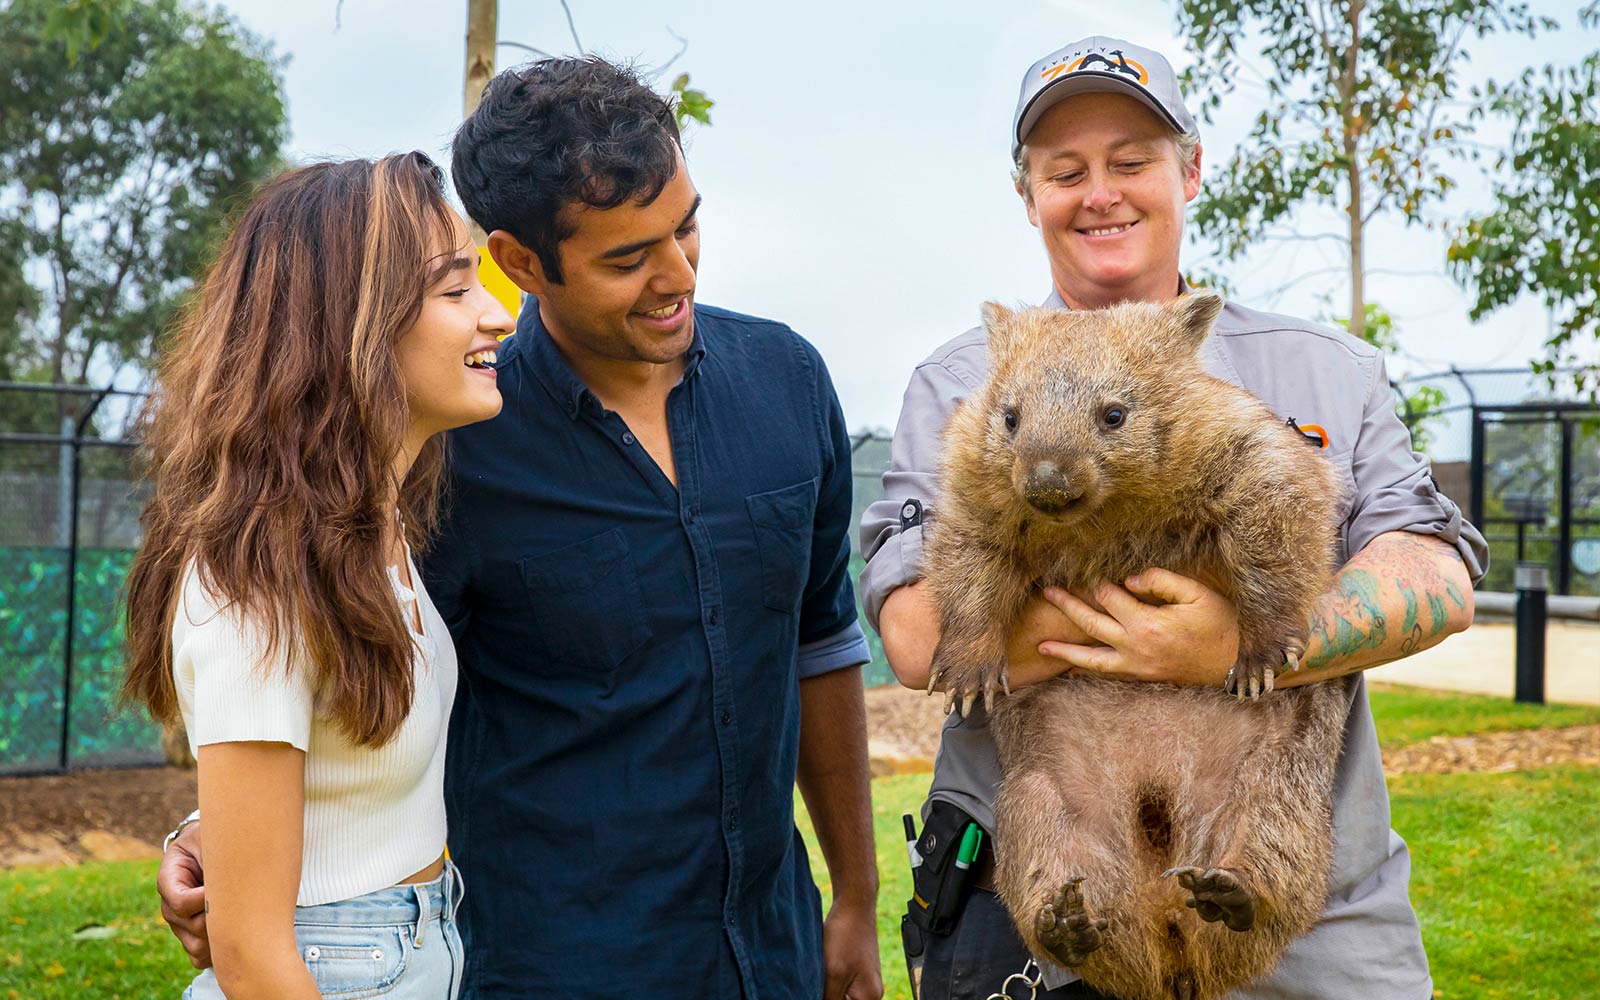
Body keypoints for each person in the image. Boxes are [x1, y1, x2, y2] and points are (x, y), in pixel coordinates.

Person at [156, 59, 885, 1000]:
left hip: (770, 947)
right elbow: (317, 675)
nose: (677, 274)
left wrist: (855, 899)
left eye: (687, 225)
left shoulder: (789, 381)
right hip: (548, 962)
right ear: (523, 260)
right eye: (627, 258)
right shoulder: (448, 450)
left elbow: (820, 645)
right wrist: (219, 827)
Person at [860, 36, 1488, 1000]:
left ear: (1189, 170)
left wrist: (1242, 640)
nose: (1099, 192)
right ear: (1027, 195)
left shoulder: (1324, 368)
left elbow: (1438, 578)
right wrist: (1137, 639)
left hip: (1318, 926)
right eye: (1064, 171)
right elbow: (915, 637)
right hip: (1044, 920)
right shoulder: (958, 383)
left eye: (1131, 161)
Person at [122, 152, 516, 999]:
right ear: (355, 329)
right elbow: (256, 957)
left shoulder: (370, 533)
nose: (497, 316)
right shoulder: (257, 584)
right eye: (456, 292)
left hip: (401, 946)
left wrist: (201, 831)